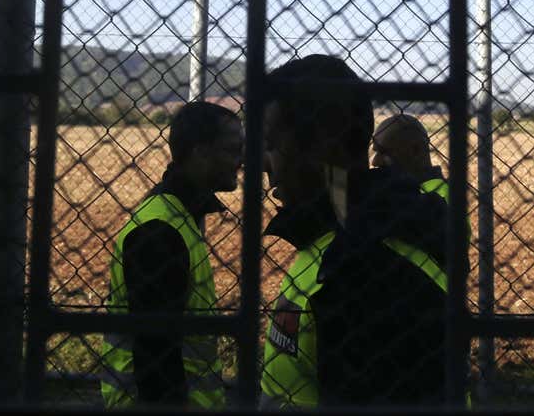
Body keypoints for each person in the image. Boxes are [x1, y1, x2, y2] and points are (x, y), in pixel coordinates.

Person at [260, 55, 450, 408]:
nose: (262, 163)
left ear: (324, 145)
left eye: (271, 145)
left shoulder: (370, 277)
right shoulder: (334, 240)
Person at [100, 101, 243, 407]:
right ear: (200, 152)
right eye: (232, 150)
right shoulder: (161, 231)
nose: (240, 161)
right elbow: (155, 359)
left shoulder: (175, 216)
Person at [371, 112, 447, 200]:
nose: (375, 162)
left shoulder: (436, 195)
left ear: (416, 151)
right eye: (376, 152)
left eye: (384, 152)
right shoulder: (401, 190)